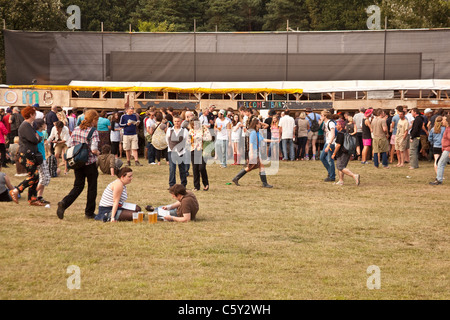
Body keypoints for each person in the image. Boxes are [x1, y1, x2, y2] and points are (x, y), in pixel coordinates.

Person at [57, 110, 100, 220]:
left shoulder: (76, 129)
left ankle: (64, 202)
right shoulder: (93, 131)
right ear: (94, 120)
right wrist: (99, 153)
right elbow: (94, 149)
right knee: (92, 188)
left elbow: (70, 144)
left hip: (78, 162)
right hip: (90, 163)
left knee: (78, 186)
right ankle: (89, 212)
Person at [9, 106, 44, 206]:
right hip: (25, 155)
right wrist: (38, 137)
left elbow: (37, 137)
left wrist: (38, 137)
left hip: (30, 154)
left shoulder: (30, 125)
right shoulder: (25, 126)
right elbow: (34, 139)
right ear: (31, 115)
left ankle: (32, 199)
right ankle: (16, 190)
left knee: (35, 176)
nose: (35, 115)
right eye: (34, 113)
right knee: (34, 175)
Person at [231, 118, 273, 188]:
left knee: (257, 166)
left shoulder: (256, 132)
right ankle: (236, 178)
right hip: (254, 151)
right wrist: (252, 154)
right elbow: (251, 143)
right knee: (250, 167)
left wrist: (274, 141)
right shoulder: (253, 132)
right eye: (259, 123)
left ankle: (264, 183)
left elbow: (263, 139)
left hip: (256, 152)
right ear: (256, 124)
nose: (260, 125)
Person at [331, 119, 360, 186]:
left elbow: (338, 145)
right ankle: (341, 180)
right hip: (347, 151)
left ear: (340, 125)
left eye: (337, 125)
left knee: (340, 167)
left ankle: (354, 175)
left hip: (342, 152)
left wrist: (334, 153)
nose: (336, 126)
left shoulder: (340, 134)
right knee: (341, 166)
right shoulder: (346, 132)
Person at [188, 116, 210, 191]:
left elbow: (209, 138)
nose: (195, 126)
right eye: (193, 125)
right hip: (193, 150)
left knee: (202, 168)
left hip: (203, 150)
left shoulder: (204, 129)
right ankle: (196, 186)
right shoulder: (191, 130)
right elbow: (188, 140)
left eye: (196, 124)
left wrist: (201, 138)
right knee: (195, 169)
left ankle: (206, 183)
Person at [166, 116, 188, 188]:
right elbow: (167, 139)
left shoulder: (184, 131)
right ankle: (172, 184)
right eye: (175, 121)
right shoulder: (169, 130)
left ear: (181, 122)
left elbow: (187, 141)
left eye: (178, 121)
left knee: (182, 169)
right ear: (173, 121)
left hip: (181, 152)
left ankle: (183, 184)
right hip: (172, 151)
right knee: (172, 168)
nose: (176, 123)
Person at [34, 119, 51, 204]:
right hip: (39, 158)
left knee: (43, 177)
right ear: (41, 125)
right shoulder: (36, 134)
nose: (46, 125)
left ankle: (39, 196)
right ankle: (33, 194)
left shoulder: (43, 133)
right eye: (44, 124)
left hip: (43, 157)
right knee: (45, 177)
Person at [430, 114, 450, 186]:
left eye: (443, 120)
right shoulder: (446, 129)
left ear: (447, 121)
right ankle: (438, 179)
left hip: (447, 149)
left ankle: (439, 180)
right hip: (445, 149)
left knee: (440, 163)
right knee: (440, 163)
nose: (442, 121)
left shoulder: (448, 129)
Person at [319, 110, 336, 182]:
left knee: (330, 160)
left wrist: (329, 145)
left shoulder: (331, 123)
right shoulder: (325, 123)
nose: (320, 117)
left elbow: (333, 135)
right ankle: (331, 172)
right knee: (322, 157)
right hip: (327, 142)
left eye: (322, 115)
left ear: (325, 116)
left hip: (331, 143)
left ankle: (332, 176)